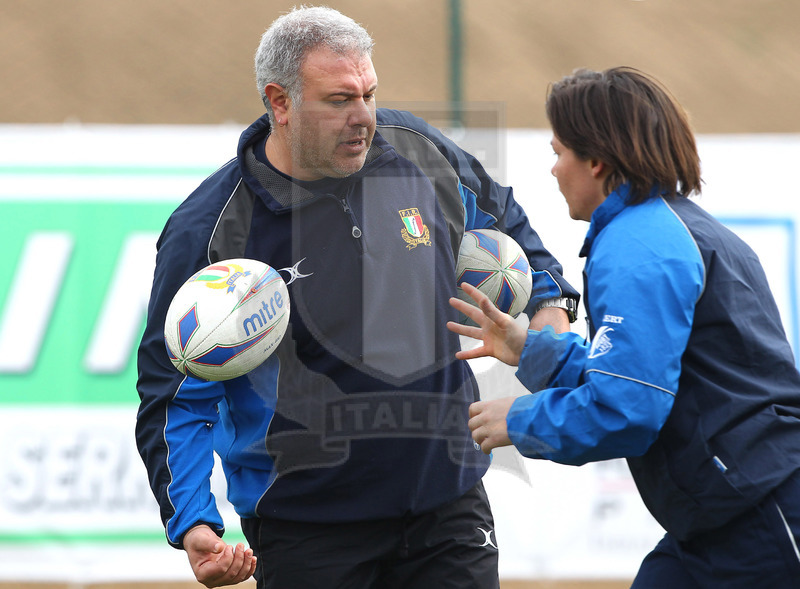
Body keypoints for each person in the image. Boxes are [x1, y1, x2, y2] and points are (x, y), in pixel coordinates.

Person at [135, 6, 579, 588]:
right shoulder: (211, 229)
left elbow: (506, 226)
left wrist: (550, 307)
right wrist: (194, 522)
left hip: (447, 504)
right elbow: (175, 394)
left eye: (369, 93)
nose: (364, 116)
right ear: (280, 102)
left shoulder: (420, 154)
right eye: (339, 99)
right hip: (306, 527)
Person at [449, 66, 800, 588]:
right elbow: (640, 375)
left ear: (596, 161)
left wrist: (518, 420)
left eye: (558, 153)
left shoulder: (639, 247)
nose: (553, 170)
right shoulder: (664, 227)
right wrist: (529, 350)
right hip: (723, 514)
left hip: (759, 517)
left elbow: (628, 407)